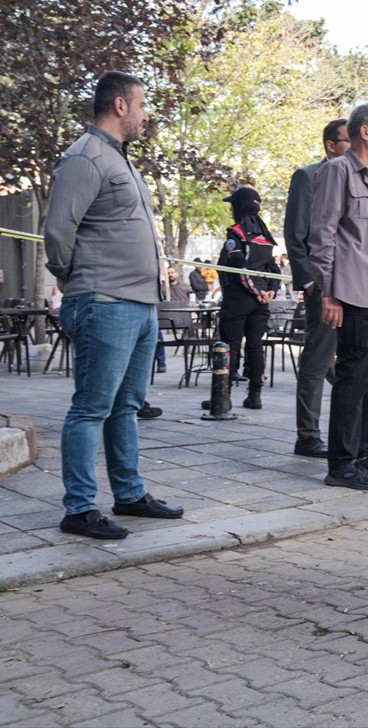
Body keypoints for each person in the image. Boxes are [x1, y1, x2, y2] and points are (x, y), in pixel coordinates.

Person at [44, 70, 184, 540]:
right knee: (91, 407)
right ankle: (79, 508)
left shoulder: (117, 159)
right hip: (104, 300)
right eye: (142, 105)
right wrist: (71, 278)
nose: (146, 114)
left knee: (125, 406)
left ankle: (129, 494)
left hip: (140, 303)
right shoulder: (84, 157)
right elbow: (59, 230)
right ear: (120, 106)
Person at [309, 104, 368, 489]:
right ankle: (342, 464)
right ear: (364, 132)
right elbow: (323, 233)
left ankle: (365, 452)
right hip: (352, 292)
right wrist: (329, 291)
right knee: (354, 374)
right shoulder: (337, 170)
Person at [284, 118, 347, 458]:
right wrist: (310, 282)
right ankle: (307, 436)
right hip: (323, 287)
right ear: (331, 145)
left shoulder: (359, 178)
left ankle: (354, 433)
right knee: (317, 361)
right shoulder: (308, 177)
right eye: (347, 140)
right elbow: (295, 234)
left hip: (356, 288)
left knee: (349, 365)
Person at [217, 186, 280, 410]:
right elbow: (274, 268)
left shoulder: (237, 232)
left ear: (239, 206)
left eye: (233, 204)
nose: (231, 208)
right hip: (261, 300)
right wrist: (270, 291)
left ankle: (222, 397)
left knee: (230, 345)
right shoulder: (265, 234)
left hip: (239, 299)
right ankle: (255, 395)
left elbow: (238, 267)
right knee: (255, 346)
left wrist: (258, 291)